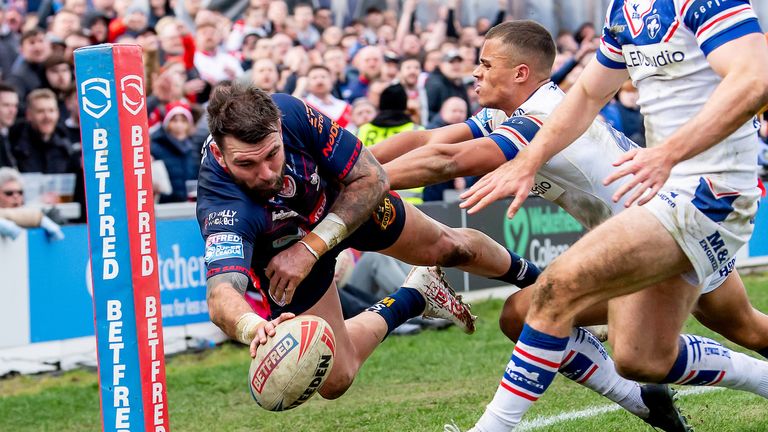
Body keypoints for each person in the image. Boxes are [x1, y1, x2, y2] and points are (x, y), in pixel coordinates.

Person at [376, 19, 768, 431]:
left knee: (548, 311)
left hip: (660, 226)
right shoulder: (510, 114)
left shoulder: (540, 116)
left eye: (486, 64)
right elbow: (428, 142)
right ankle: (647, 401)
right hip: (656, 222)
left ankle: (629, 403)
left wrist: (364, 183)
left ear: (520, 73)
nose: (476, 72)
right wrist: (351, 159)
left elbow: (449, 161)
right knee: (746, 328)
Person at [196, 83, 542, 400]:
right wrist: (256, 328)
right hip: (285, 261)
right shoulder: (221, 202)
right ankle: (415, 295)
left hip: (345, 208)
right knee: (335, 379)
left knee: (451, 247)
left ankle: (543, 283)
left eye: (272, 154)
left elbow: (372, 176)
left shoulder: (292, 113)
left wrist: (311, 246)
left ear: (279, 128)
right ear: (222, 156)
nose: (266, 173)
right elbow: (221, 292)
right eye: (247, 164)